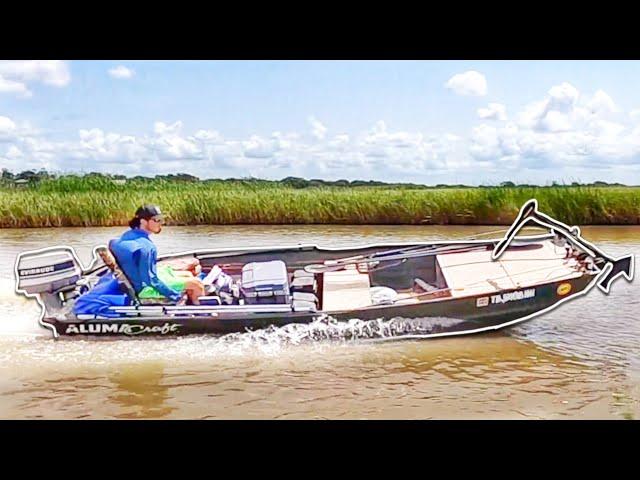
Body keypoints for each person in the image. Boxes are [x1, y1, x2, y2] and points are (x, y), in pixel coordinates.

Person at [110, 204, 205, 305]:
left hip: (137, 280)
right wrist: (174, 295)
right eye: (156, 220)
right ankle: (203, 315)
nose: (161, 223)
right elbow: (151, 282)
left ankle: (191, 303)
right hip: (145, 290)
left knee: (188, 274)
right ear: (143, 221)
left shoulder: (126, 236)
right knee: (197, 284)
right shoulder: (146, 247)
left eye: (161, 219)